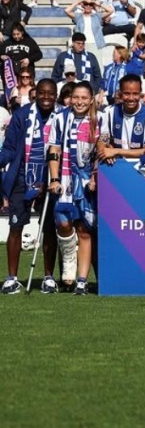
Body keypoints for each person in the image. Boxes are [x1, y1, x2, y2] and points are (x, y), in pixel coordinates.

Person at [0, 79, 58, 294]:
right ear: (35, 94)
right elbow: (9, 148)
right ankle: (11, 278)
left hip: (50, 180)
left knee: (50, 229)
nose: (46, 97)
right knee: (15, 227)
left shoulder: (60, 116)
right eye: (42, 93)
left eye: (50, 93)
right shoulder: (21, 115)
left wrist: (50, 179)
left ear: (56, 95)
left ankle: (49, 277)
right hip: (21, 179)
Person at [46, 81, 100, 294]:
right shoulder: (60, 118)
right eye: (76, 97)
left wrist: (95, 177)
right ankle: (69, 256)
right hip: (65, 179)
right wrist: (54, 178)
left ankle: (82, 280)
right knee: (63, 223)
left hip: (87, 181)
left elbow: (100, 151)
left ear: (91, 99)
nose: (79, 102)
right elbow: (54, 149)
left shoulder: (99, 119)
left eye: (84, 98)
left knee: (84, 229)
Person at [97, 74, 145, 166]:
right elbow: (102, 140)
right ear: (120, 93)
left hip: (141, 167)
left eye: (135, 93)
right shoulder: (109, 112)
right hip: (115, 164)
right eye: (126, 93)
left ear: (140, 94)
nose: (131, 98)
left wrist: (115, 151)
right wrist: (104, 151)